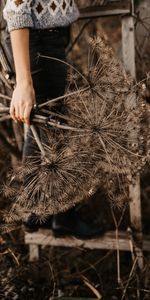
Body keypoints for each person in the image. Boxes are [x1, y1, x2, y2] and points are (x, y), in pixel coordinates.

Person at [2, 0, 104, 238]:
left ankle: (44, 212)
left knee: (46, 126)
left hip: (46, 36)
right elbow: (17, 6)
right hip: (36, 40)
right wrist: (24, 84)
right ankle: (51, 213)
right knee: (53, 127)